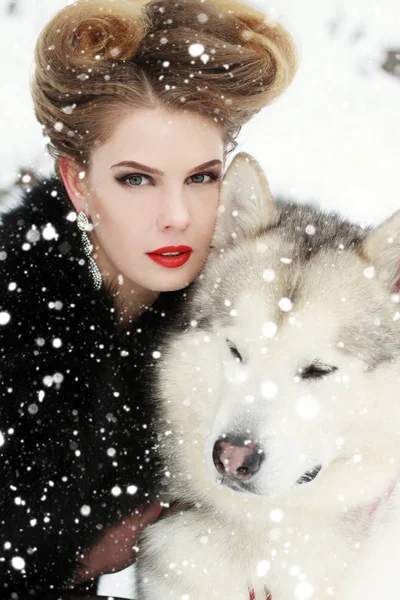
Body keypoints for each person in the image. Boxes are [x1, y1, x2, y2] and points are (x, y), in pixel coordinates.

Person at [0, 0, 297, 597]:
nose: (177, 217)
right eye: (136, 178)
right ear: (77, 181)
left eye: (201, 177)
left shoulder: (227, 308)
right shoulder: (17, 316)